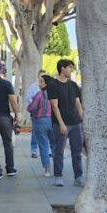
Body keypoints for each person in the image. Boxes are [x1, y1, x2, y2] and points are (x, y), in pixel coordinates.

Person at [47, 59, 84, 187]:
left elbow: (78, 104)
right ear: (62, 68)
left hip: (76, 123)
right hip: (60, 124)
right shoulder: (53, 85)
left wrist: (83, 121)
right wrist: (62, 123)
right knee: (59, 151)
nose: (71, 70)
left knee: (77, 151)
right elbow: (54, 106)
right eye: (69, 67)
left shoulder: (73, 85)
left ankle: (78, 177)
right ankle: (58, 176)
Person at [27, 73, 55, 177]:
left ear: (46, 84)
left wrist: (29, 108)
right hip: (53, 121)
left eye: (41, 82)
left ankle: (47, 169)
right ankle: (57, 169)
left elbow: (32, 107)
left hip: (40, 121)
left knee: (43, 146)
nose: (39, 84)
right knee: (55, 145)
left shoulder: (39, 95)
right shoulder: (55, 94)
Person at [25, 70, 46, 158]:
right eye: (41, 76)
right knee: (35, 132)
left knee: (47, 132)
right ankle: (34, 151)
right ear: (38, 76)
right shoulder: (33, 86)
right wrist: (35, 105)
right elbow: (28, 97)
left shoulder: (49, 86)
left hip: (46, 113)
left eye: (44, 76)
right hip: (36, 113)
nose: (42, 78)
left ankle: (47, 151)